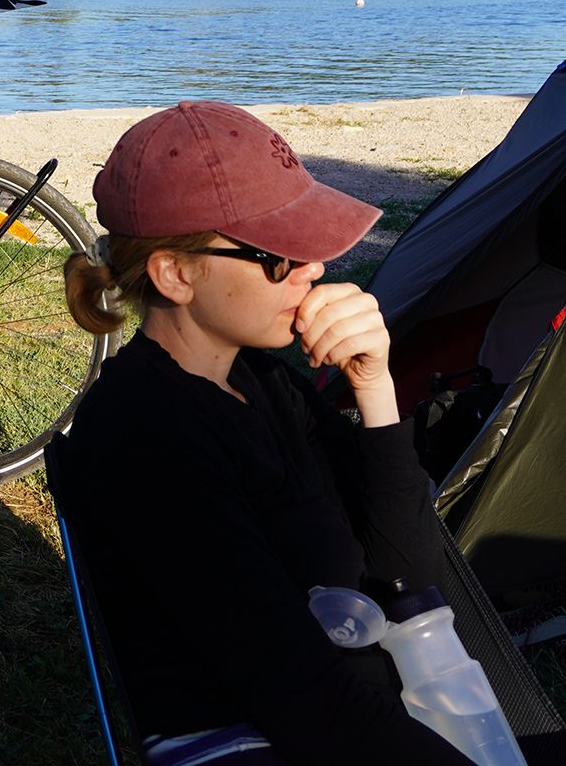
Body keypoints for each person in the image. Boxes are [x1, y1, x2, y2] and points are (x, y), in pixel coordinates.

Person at [58, 100, 511, 766]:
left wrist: (376, 389)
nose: (314, 269)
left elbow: (408, 575)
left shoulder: (265, 382)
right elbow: (301, 698)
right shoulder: (142, 433)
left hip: (365, 710)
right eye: (279, 256)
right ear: (175, 273)